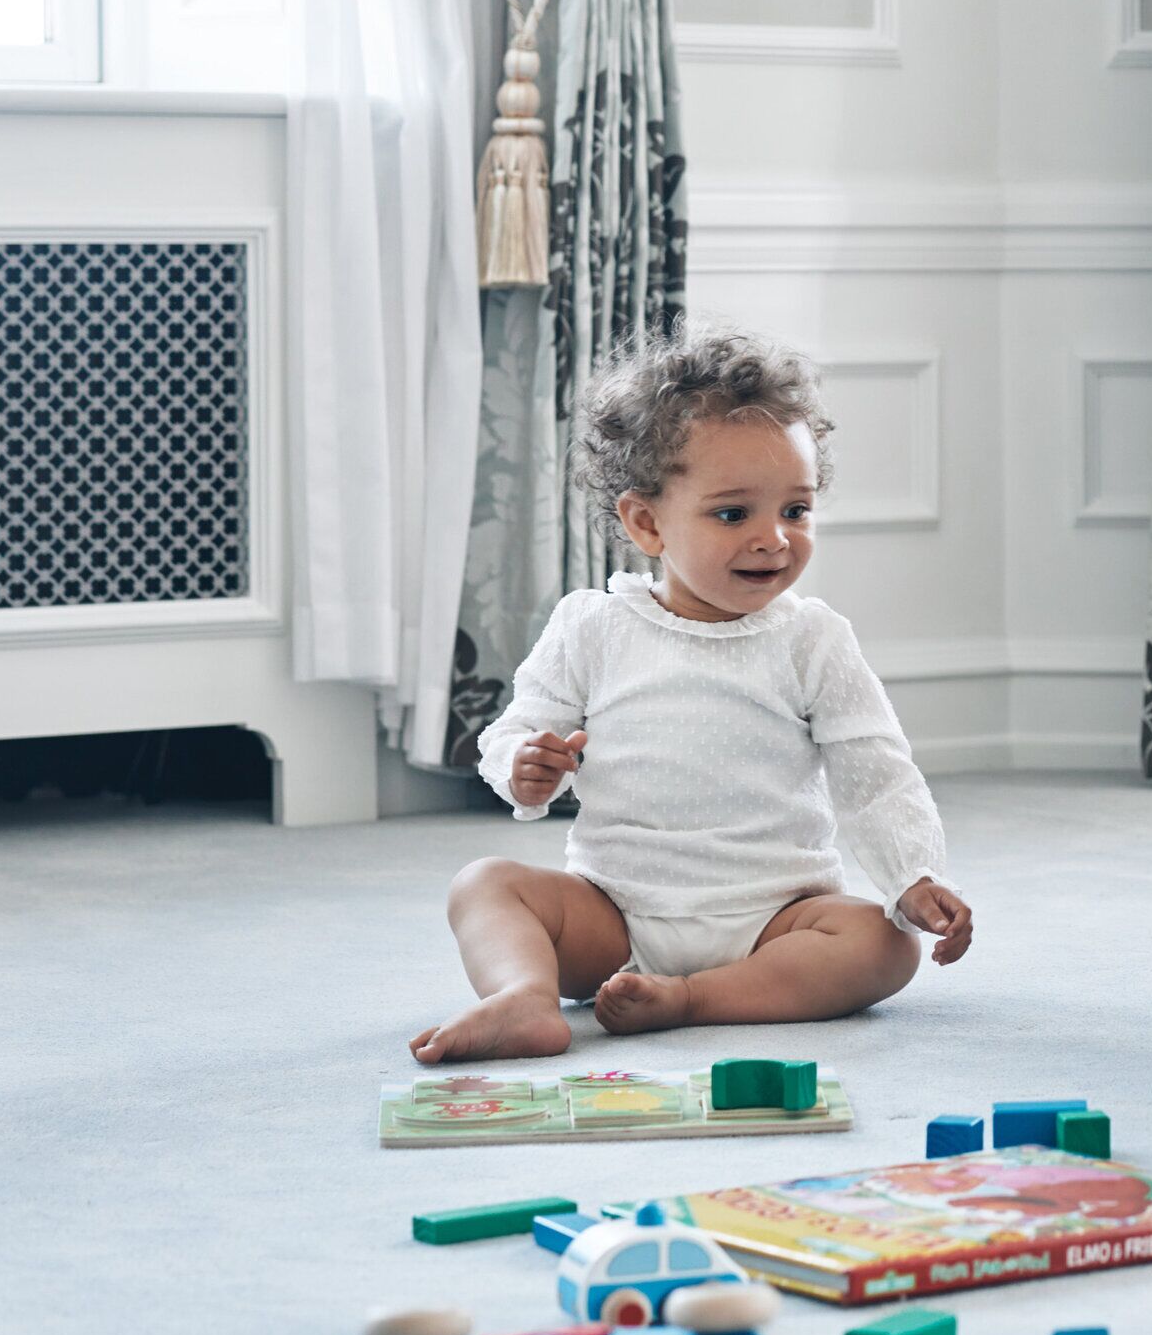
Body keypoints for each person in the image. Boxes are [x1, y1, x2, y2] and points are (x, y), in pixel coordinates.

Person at [410, 331, 974, 1063]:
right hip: (614, 916)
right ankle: (521, 995)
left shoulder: (813, 640)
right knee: (484, 884)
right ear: (646, 523)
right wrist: (524, 762)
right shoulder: (594, 626)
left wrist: (912, 876)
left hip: (777, 916)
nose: (774, 539)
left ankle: (696, 999)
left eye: (796, 510)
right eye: (734, 514)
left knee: (880, 946)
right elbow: (522, 726)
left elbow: (876, 774)